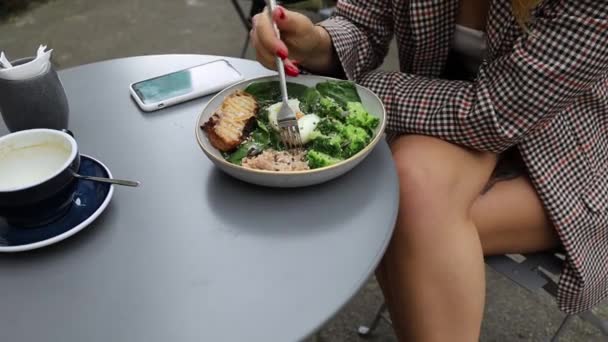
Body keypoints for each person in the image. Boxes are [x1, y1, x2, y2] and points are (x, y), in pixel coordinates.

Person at [250, 0, 608, 341]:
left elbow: (494, 113)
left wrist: (346, 95)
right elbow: (361, 23)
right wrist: (316, 43)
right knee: (403, 190)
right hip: (445, 124)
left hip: (573, 159)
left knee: (394, 211)